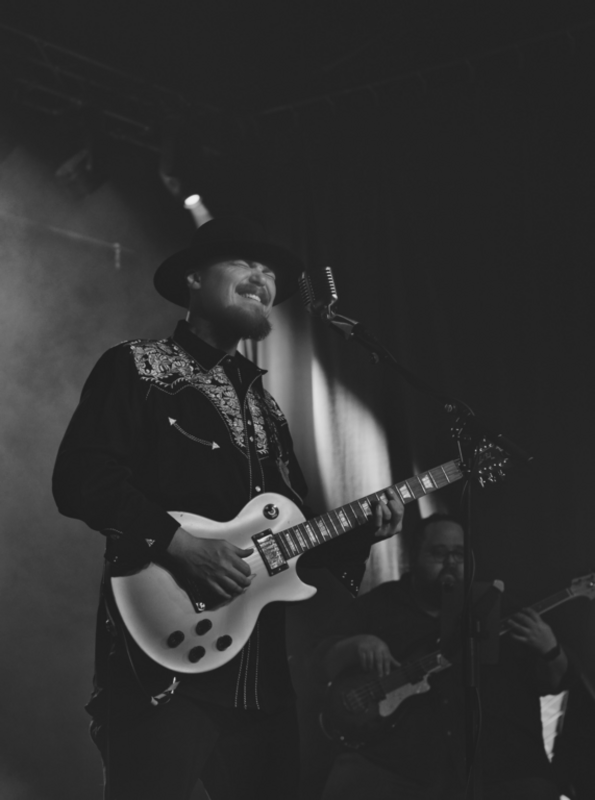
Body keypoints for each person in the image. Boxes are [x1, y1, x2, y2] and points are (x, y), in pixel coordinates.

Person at [52, 216, 404, 800]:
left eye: (269, 273)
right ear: (193, 278)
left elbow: (292, 539)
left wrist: (361, 531)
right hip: (158, 664)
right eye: (245, 263)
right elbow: (81, 478)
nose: (262, 278)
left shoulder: (269, 411)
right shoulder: (137, 367)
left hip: (259, 678)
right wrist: (179, 544)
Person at [315, 512, 569, 800]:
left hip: (494, 771)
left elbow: (556, 683)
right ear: (414, 556)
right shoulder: (379, 605)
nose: (450, 563)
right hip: (397, 767)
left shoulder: (496, 607)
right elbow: (315, 663)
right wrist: (354, 644)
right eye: (439, 553)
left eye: (459, 554)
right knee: (348, 781)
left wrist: (551, 650)